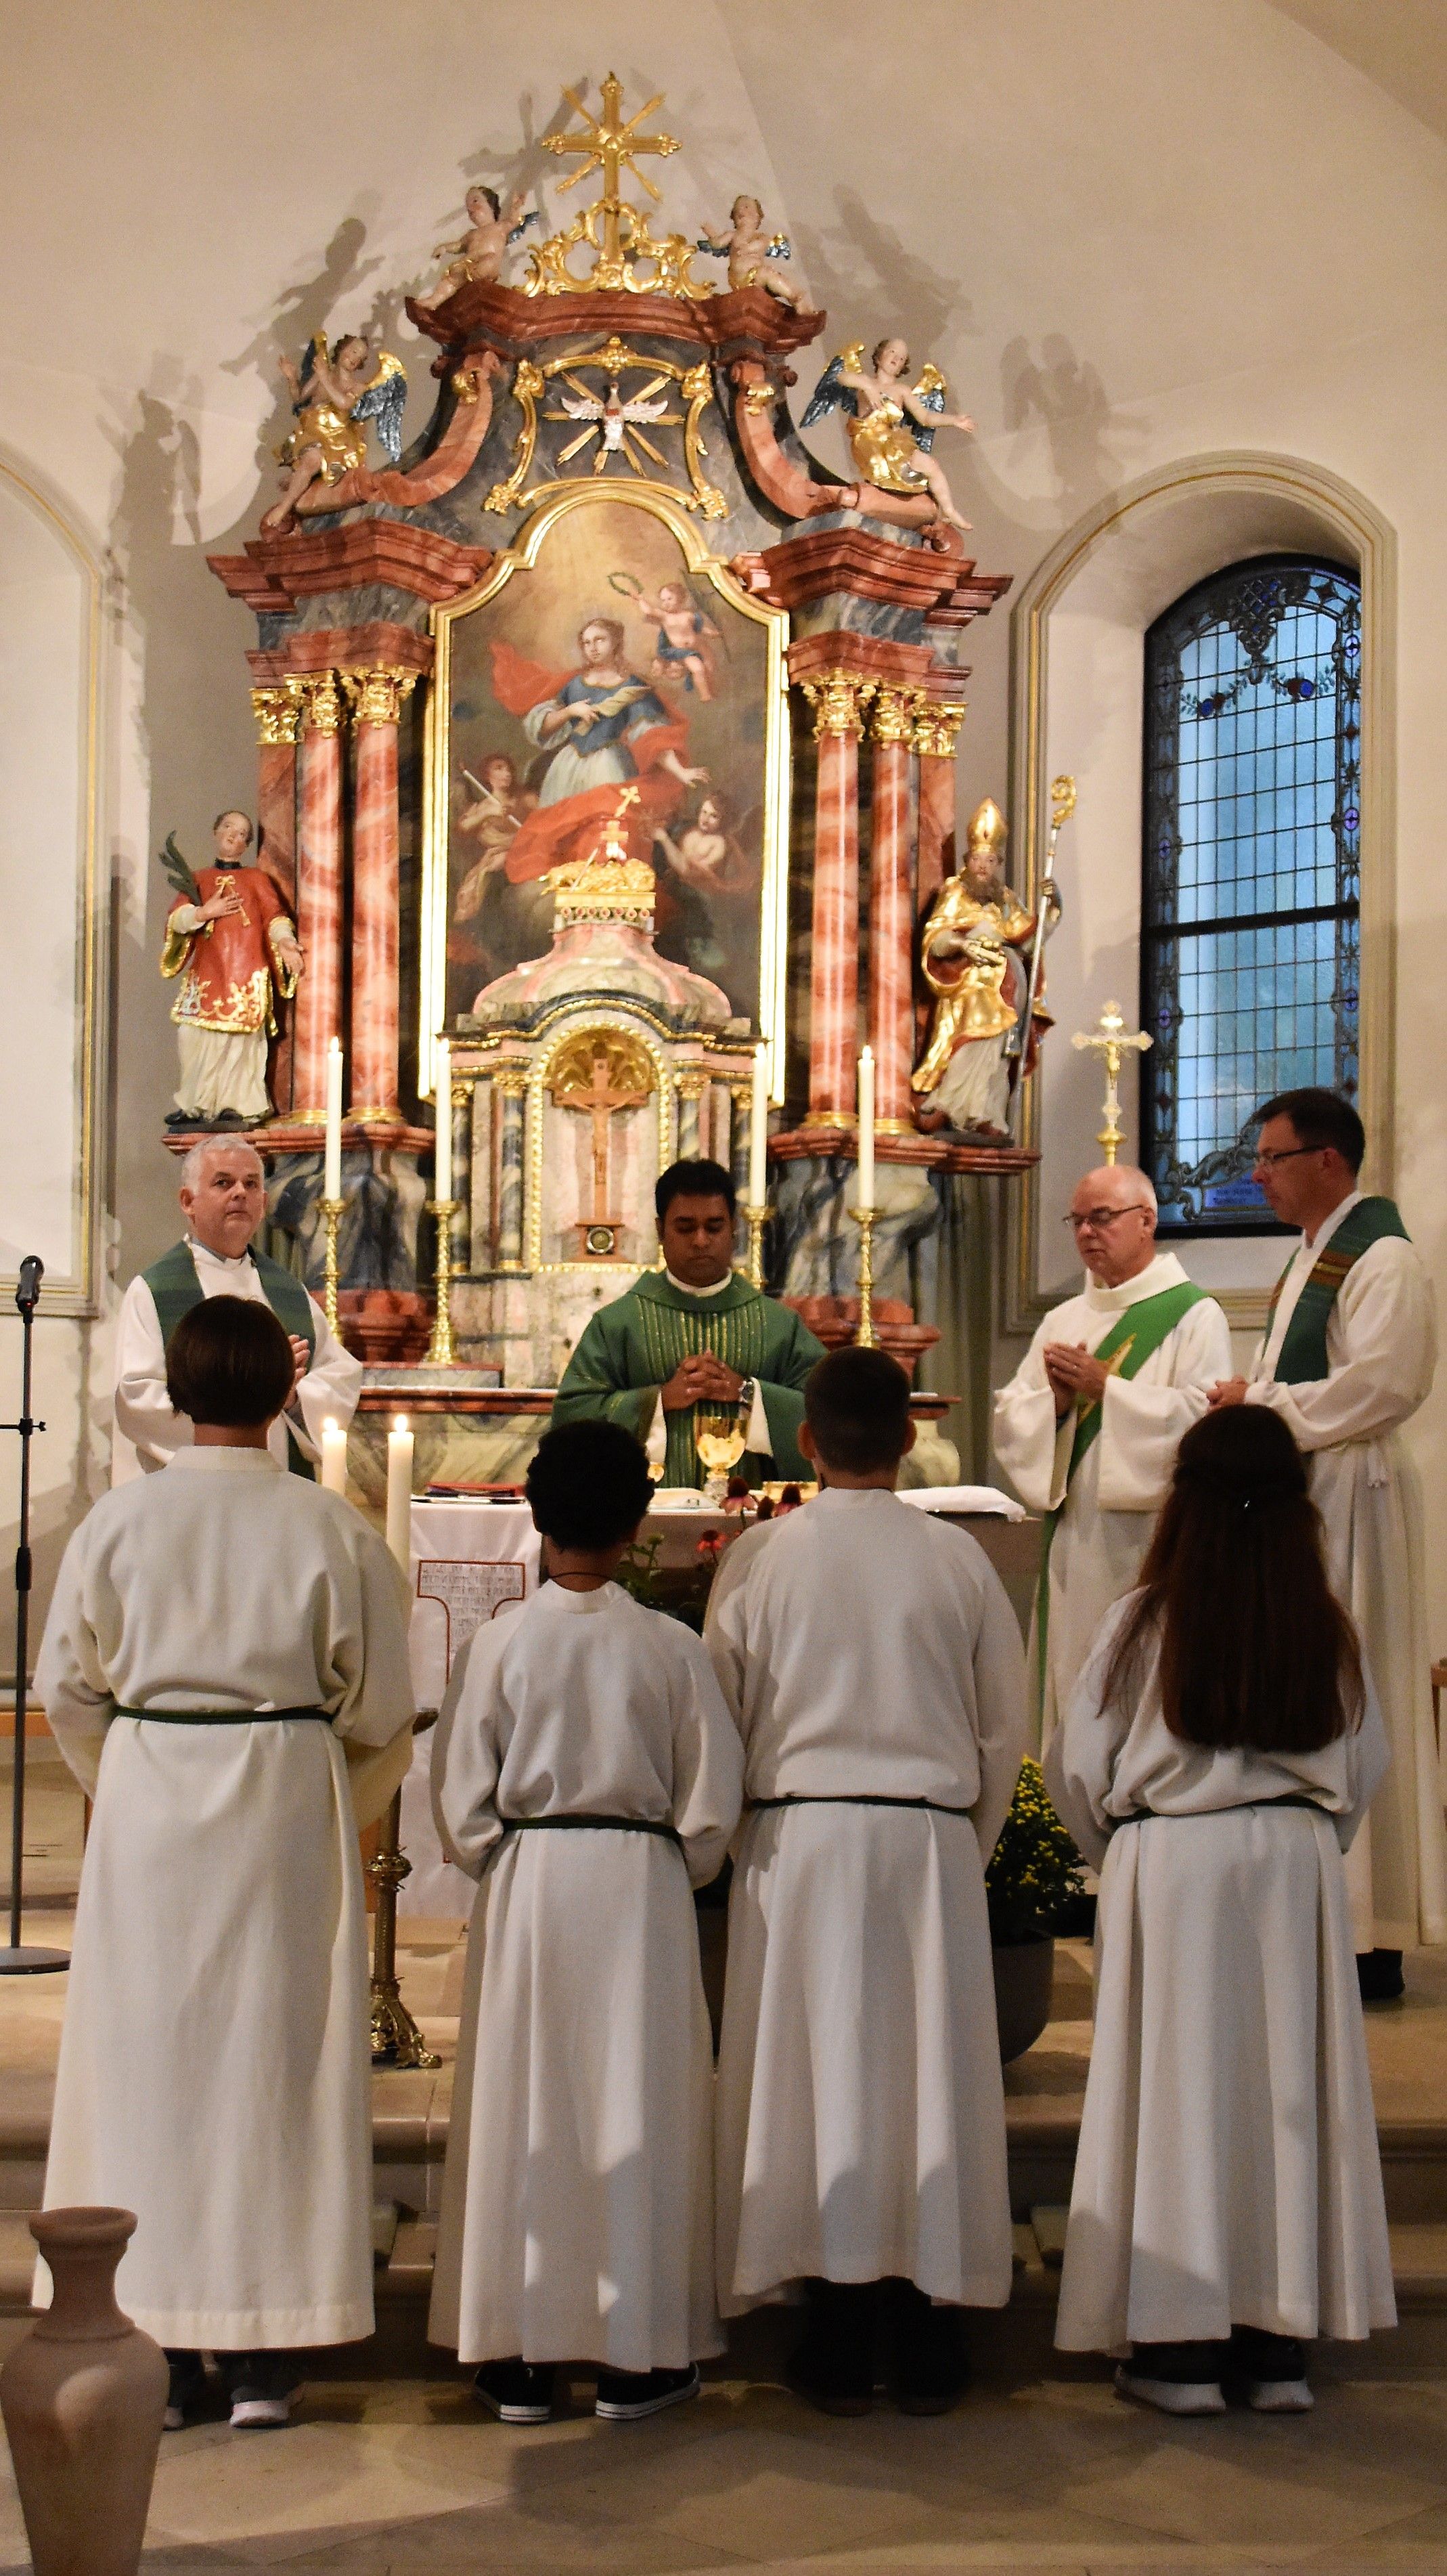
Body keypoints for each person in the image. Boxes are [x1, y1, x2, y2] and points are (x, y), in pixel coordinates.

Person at [35, 1298, 416, 2430]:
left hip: (150, 1805)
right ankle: (263, 2352)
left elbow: (68, 1689)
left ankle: (153, 2342)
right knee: (271, 2064)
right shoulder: (330, 1529)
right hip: (282, 1804)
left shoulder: (117, 1524)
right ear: (285, 1393)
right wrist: (323, 1796)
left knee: (148, 2066)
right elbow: (380, 1710)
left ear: (179, 1391)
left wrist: (133, 1776)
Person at [1046, 1405, 1395, 2415]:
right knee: (1282, 2098)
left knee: (1179, 2100)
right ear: (1296, 1508)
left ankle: (1179, 2348)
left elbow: (1080, 1769)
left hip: (1173, 1862)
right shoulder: (1323, 1627)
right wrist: (1304, 1839)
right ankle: (1273, 2342)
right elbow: (1363, 1764)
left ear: (1182, 1504)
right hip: (1291, 1863)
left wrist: (1125, 1850)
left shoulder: (1140, 1623)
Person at [706, 1347, 1027, 2415]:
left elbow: (721, 1717)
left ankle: (834, 2324)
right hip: (924, 1840)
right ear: (908, 1439)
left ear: (806, 1441)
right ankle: (928, 2327)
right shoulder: (956, 1560)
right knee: (923, 2080)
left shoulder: (760, 1556)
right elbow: (1001, 1731)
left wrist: (748, 1837)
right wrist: (959, 1847)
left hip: (797, 1842)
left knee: (813, 2083)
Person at [428, 1418, 742, 2422]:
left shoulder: (499, 1643)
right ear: (636, 1524)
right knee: (634, 2107)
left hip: (528, 1880)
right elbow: (710, 1804)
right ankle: (635, 2356)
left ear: (535, 1514)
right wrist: (670, 1865)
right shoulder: (671, 1647)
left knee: (526, 2104)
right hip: (640, 1887)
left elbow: (460, 1800)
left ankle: (516, 2356)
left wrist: (507, 1856)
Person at [1208, 1085, 1444, 1993]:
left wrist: (1260, 1403)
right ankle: (1314, 1913)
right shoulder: (1309, 1256)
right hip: (1308, 1493)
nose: (1258, 1175)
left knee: (1357, 1686)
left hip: (1352, 1494)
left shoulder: (1380, 1257)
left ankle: (1367, 1929)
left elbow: (1384, 1384)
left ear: (1327, 1160)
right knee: (1306, 1689)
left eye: (1270, 1159)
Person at [993, 1164, 1231, 1750]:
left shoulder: (1194, 1314)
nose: (1086, 1232)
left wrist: (1109, 1390)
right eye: (1077, 1220)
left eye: (1101, 1218)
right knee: (1073, 1676)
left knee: (1141, 1684)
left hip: (1151, 1540)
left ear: (1146, 1220)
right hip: (1075, 1536)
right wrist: (1055, 1403)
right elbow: (1011, 1415)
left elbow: (1207, 1423)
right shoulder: (1063, 1319)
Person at [552, 1158, 826, 1489]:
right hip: (643, 1518)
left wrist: (747, 1393)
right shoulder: (617, 1325)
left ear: (734, 1228)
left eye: (714, 1227)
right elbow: (571, 1422)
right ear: (660, 1231)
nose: (700, 1241)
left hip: (755, 1516)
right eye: (685, 1227)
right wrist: (659, 1400)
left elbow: (830, 1416)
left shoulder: (779, 1326)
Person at [112, 1134, 362, 1482]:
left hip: (272, 1488)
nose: (240, 1193)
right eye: (223, 1183)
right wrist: (258, 1395)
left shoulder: (289, 1293)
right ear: (188, 1201)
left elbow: (340, 1377)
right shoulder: (153, 1292)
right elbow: (138, 1399)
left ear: (263, 1202)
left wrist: (292, 1398)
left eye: (251, 1184)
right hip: (189, 1492)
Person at [160, 808, 303, 1127]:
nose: (233, 836)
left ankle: (235, 1104)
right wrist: (203, 913)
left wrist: (285, 941)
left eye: (242, 834)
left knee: (239, 1041)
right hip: (208, 972)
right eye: (228, 827)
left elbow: (275, 917)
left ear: (246, 845)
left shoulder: (257, 880)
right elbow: (176, 920)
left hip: (244, 971)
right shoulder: (198, 880)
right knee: (192, 1036)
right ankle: (195, 1105)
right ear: (216, 832)